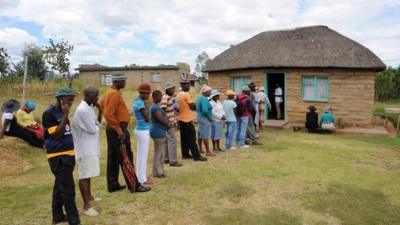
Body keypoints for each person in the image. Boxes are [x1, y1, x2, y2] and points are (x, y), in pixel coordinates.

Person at [101, 72, 150, 193]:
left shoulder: (109, 92)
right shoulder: (114, 94)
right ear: (118, 81)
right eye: (124, 81)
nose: (125, 83)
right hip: (118, 129)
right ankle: (134, 185)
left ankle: (113, 184)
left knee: (112, 157)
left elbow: (102, 106)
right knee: (126, 156)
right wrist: (118, 129)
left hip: (112, 128)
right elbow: (108, 113)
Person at [42, 87, 80, 225]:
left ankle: (57, 216)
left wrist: (64, 115)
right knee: (68, 190)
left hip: (68, 155)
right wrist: (65, 115)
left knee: (59, 187)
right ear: (60, 98)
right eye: (69, 97)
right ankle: (74, 220)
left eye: (73, 97)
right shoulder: (49, 114)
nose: (72, 100)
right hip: (59, 157)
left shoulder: (61, 112)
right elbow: (57, 135)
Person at [71, 87, 102, 217]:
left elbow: (97, 124)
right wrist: (96, 126)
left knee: (88, 173)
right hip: (85, 148)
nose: (97, 99)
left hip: (91, 146)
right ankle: (85, 206)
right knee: (84, 175)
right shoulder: (82, 110)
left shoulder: (89, 107)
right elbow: (93, 129)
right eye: (95, 96)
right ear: (87, 95)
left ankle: (89, 197)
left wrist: (100, 110)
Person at [176, 78, 207, 161]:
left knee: (184, 139)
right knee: (192, 138)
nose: (189, 86)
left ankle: (185, 154)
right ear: (182, 85)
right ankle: (197, 156)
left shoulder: (178, 95)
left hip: (181, 118)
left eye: (189, 84)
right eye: (187, 84)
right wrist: (196, 105)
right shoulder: (186, 94)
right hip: (187, 119)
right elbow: (192, 106)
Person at [132, 83, 153, 186]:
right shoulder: (140, 104)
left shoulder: (136, 101)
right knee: (143, 156)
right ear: (143, 93)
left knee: (140, 155)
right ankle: (142, 179)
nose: (148, 96)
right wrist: (148, 110)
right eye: (148, 94)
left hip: (139, 129)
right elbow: (147, 118)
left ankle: (140, 176)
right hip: (143, 130)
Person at [160, 82, 182, 167]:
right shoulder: (166, 98)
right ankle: (173, 161)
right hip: (169, 123)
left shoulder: (168, 97)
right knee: (172, 141)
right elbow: (162, 111)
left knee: (167, 141)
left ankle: (166, 158)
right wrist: (167, 123)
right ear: (168, 89)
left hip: (168, 123)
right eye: (172, 88)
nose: (174, 90)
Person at [150, 90, 170, 178]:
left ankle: (156, 170)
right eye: (160, 96)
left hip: (158, 130)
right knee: (159, 153)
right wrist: (167, 124)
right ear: (156, 97)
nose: (161, 98)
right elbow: (160, 119)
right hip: (158, 131)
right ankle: (159, 172)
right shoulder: (155, 107)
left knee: (158, 152)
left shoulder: (156, 106)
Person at [196, 85, 215, 156]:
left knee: (200, 134)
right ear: (206, 92)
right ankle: (208, 151)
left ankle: (200, 149)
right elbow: (204, 110)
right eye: (210, 91)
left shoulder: (200, 98)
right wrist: (209, 118)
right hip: (204, 118)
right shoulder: (204, 99)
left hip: (199, 117)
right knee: (205, 134)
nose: (211, 93)